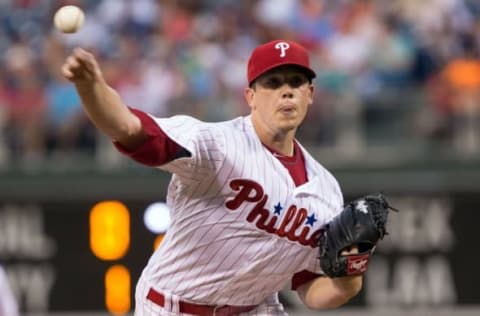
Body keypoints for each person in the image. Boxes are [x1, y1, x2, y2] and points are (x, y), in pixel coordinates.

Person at [62, 39, 363, 315]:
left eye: (296, 82)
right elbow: (128, 128)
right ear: (251, 96)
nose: (286, 91)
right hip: (172, 308)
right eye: (273, 82)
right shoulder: (216, 144)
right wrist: (91, 89)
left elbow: (309, 288)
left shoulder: (326, 190)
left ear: (309, 94)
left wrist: (349, 279)